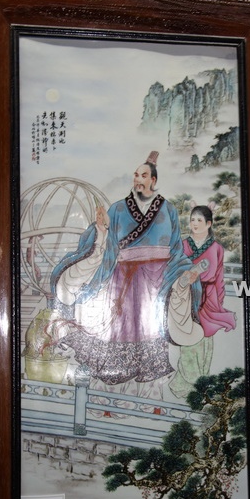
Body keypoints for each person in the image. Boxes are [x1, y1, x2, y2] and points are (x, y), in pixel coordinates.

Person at [48, 152, 202, 404]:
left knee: (151, 332)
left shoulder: (168, 209)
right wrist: (101, 229)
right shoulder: (118, 209)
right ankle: (109, 401)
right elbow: (106, 246)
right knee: (118, 331)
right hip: (121, 282)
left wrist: (183, 275)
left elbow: (176, 250)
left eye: (144, 175)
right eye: (136, 175)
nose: (138, 179)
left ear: (153, 180)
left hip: (155, 283)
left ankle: (150, 402)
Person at [169, 203, 237, 399]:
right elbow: (174, 268)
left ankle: (200, 383)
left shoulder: (216, 248)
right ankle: (185, 385)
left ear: (208, 224)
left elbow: (218, 277)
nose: (195, 223)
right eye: (192, 220)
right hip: (188, 297)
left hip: (208, 298)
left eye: (199, 220)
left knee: (205, 341)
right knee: (188, 338)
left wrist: (218, 301)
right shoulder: (183, 245)